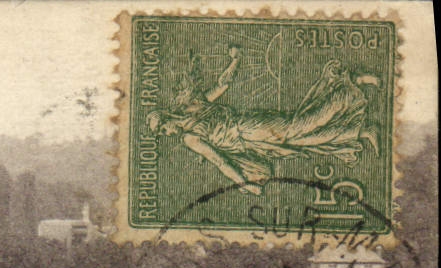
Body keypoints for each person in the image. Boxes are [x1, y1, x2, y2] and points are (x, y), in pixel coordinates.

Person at [150, 45, 381, 194]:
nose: (165, 134)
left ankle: (349, 84)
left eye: (161, 129)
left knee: (298, 128)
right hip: (252, 140)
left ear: (166, 118)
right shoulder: (192, 117)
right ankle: (362, 131)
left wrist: (235, 60)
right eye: (161, 134)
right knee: (302, 140)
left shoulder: (191, 132)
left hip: (249, 128)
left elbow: (220, 161)